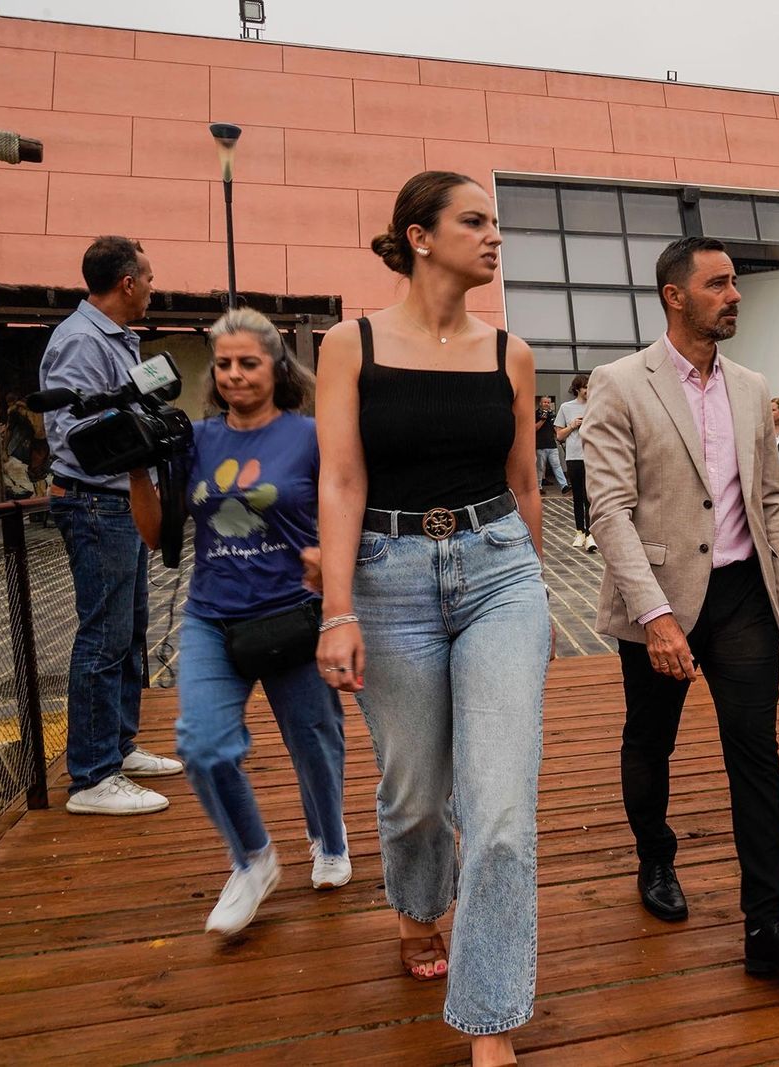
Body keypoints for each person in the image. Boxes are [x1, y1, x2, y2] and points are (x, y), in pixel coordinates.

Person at [315, 170, 549, 1067]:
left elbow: (524, 481)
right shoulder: (353, 342)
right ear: (419, 236)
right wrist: (338, 608)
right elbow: (340, 479)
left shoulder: (509, 354)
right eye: (474, 222)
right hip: (388, 575)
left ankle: (491, 1019)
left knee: (498, 810)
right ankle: (419, 908)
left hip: (498, 575)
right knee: (416, 795)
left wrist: (531, 582)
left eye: (495, 223)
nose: (493, 237)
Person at [584, 236, 779, 976]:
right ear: (676, 295)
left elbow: (767, 500)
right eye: (719, 283)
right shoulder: (621, 382)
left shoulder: (754, 387)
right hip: (657, 597)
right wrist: (655, 617)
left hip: (742, 596)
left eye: (735, 284)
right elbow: (608, 509)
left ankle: (767, 924)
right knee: (650, 740)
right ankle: (655, 858)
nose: (735, 295)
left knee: (756, 752)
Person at [129, 308, 350, 936]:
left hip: (294, 616)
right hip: (211, 618)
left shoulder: (311, 435)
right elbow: (155, 536)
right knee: (201, 745)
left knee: (314, 744)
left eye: (247, 363)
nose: (232, 375)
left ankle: (329, 839)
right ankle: (251, 859)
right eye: (223, 364)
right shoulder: (194, 440)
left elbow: (349, 507)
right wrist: (136, 466)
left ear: (277, 367)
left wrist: (330, 561)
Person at [40, 235, 182, 815]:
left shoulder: (120, 339)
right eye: (148, 277)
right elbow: (70, 433)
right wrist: (136, 428)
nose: (153, 286)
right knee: (103, 635)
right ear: (127, 282)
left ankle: (118, 747)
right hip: (96, 504)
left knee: (130, 631)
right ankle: (92, 776)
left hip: (123, 503)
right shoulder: (80, 341)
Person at [555, 374, 594, 551]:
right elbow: (559, 435)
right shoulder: (566, 407)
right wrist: (572, 425)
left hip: (593, 456)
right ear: (577, 389)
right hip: (574, 456)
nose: (588, 390)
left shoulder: (596, 405)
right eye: (585, 387)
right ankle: (580, 532)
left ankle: (591, 534)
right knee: (578, 496)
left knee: (591, 497)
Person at [534, 396, 568, 494]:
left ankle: (564, 486)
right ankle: (538, 487)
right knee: (540, 468)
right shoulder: (536, 414)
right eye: (544, 402)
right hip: (540, 445)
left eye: (548, 403)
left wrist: (560, 437)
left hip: (552, 445)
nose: (546, 404)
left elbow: (555, 428)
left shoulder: (552, 414)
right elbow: (534, 428)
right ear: (540, 403)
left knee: (557, 466)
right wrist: (542, 420)